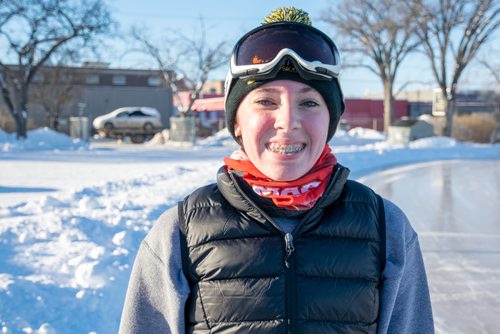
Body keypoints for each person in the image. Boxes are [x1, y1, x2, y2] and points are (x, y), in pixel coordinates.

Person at [119, 7, 434, 334]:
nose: (288, 121)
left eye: (309, 103)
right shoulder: (179, 233)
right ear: (237, 122)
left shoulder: (386, 228)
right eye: (266, 101)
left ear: (330, 121)